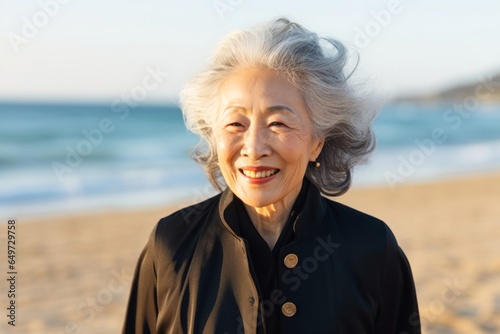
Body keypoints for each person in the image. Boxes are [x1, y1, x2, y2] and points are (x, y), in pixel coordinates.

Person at [123, 17, 420, 334]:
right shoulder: (171, 244)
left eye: (278, 123)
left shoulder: (371, 247)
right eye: (236, 124)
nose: (253, 147)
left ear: (317, 141)